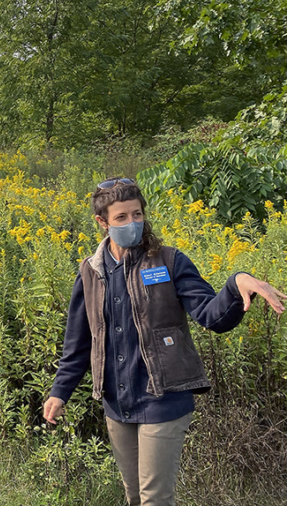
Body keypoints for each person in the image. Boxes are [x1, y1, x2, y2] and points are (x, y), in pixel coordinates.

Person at [43, 178, 285, 506]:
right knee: (134, 497)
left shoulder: (169, 262)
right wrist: (60, 392)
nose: (133, 223)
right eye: (122, 218)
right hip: (118, 403)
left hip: (164, 399)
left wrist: (237, 282)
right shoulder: (91, 272)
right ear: (102, 222)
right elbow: (79, 342)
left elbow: (211, 316)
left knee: (154, 499)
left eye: (137, 214)